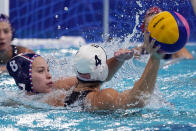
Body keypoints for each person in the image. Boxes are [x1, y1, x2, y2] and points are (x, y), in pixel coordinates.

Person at [7, 32, 164, 110]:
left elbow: (94, 74)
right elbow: (139, 100)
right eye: (41, 71)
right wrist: (155, 58)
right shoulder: (101, 98)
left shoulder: (57, 93)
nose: (49, 75)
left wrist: (118, 60)